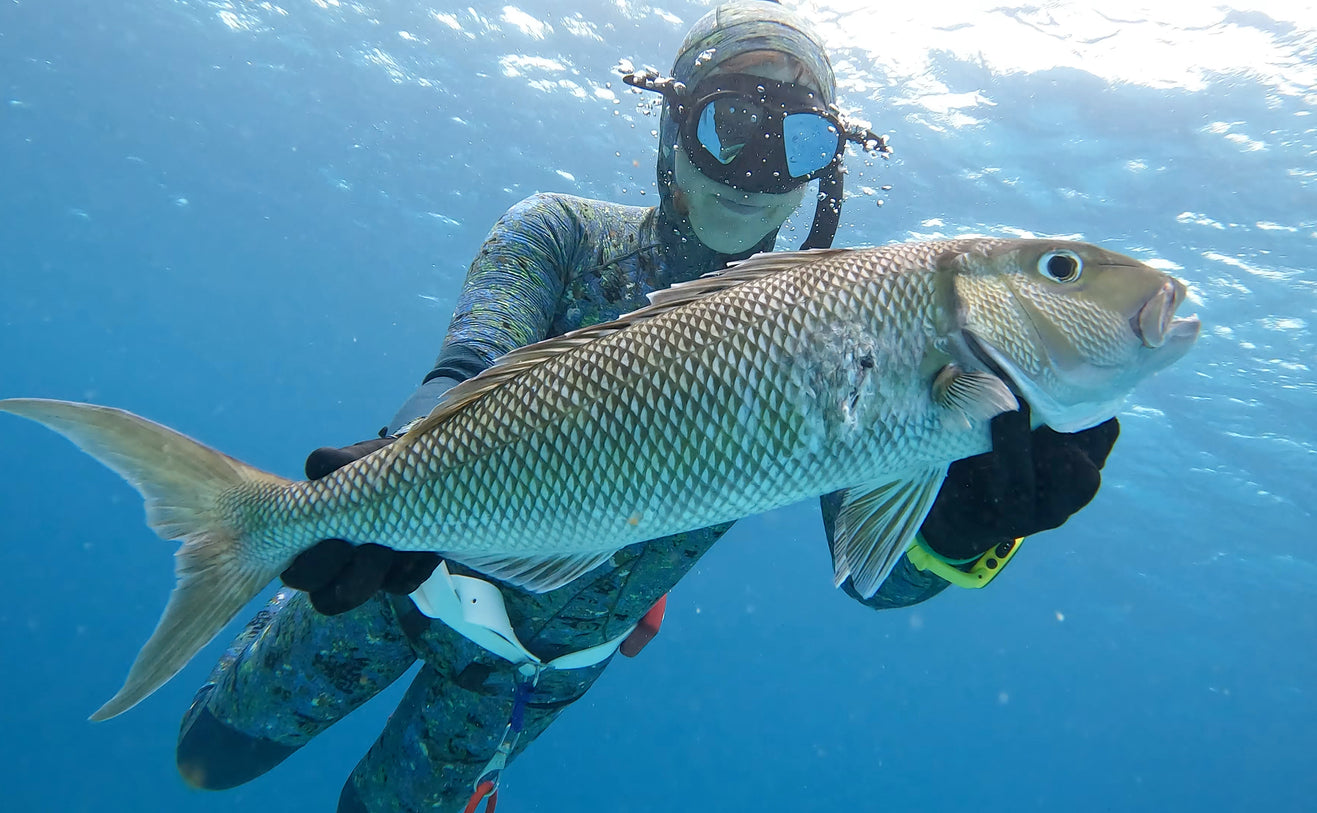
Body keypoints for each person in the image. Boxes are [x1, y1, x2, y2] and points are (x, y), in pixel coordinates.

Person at [174, 3, 1120, 811]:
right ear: (671, 127)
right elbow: (476, 355)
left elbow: (877, 577)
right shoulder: (558, 229)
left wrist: (964, 531)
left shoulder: (858, 323)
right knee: (207, 760)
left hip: (533, 669)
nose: (753, 171)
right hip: (398, 580)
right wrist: (392, 464)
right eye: (726, 124)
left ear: (824, 165)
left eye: (795, 142)